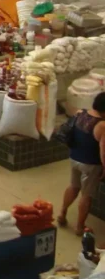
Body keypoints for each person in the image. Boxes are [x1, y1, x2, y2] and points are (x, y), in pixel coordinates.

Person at [58, 93, 105, 235]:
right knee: (86, 195)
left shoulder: (80, 113)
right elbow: (103, 151)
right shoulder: (102, 125)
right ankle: (80, 227)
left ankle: (62, 214)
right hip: (90, 164)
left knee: (73, 186)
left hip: (74, 158)